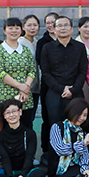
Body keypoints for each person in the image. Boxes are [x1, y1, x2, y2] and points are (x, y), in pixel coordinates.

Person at [0, 99, 47, 177]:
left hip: (25, 172)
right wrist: (10, 176)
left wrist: (22, 175)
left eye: (14, 111)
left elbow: (29, 157)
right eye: (8, 113)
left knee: (40, 173)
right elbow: (4, 158)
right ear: (4, 116)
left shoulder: (30, 134)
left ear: (20, 112)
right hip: (7, 172)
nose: (11, 115)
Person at [41, 16, 88, 128]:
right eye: (59, 25)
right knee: (55, 125)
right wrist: (62, 89)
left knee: (78, 124)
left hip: (76, 92)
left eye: (66, 25)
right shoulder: (47, 48)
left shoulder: (80, 47)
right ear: (54, 29)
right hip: (55, 93)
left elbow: (83, 71)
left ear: (72, 29)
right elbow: (46, 73)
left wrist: (73, 90)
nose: (63, 28)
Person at [0, 17, 36, 128]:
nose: (14, 31)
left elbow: (32, 69)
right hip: (6, 96)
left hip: (25, 97)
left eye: (17, 28)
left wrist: (26, 88)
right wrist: (20, 86)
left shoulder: (25, 50)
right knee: (6, 129)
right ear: (4, 31)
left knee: (26, 127)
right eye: (10, 28)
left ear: (21, 30)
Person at [48, 98, 89, 177]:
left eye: (85, 115)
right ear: (72, 111)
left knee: (83, 176)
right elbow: (60, 150)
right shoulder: (57, 127)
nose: (82, 118)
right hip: (58, 170)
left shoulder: (82, 133)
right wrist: (81, 144)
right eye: (80, 114)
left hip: (75, 168)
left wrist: (85, 169)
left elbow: (85, 155)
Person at [36, 12, 59, 153]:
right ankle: (46, 149)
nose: (50, 25)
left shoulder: (67, 40)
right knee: (48, 117)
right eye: (48, 22)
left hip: (65, 84)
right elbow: (42, 65)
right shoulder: (42, 42)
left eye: (53, 22)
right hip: (48, 84)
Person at [18, 14, 41, 124]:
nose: (32, 28)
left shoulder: (36, 42)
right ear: (23, 27)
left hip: (35, 87)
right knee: (24, 118)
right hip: (24, 87)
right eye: (29, 25)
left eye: (35, 25)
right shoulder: (20, 42)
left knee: (30, 118)